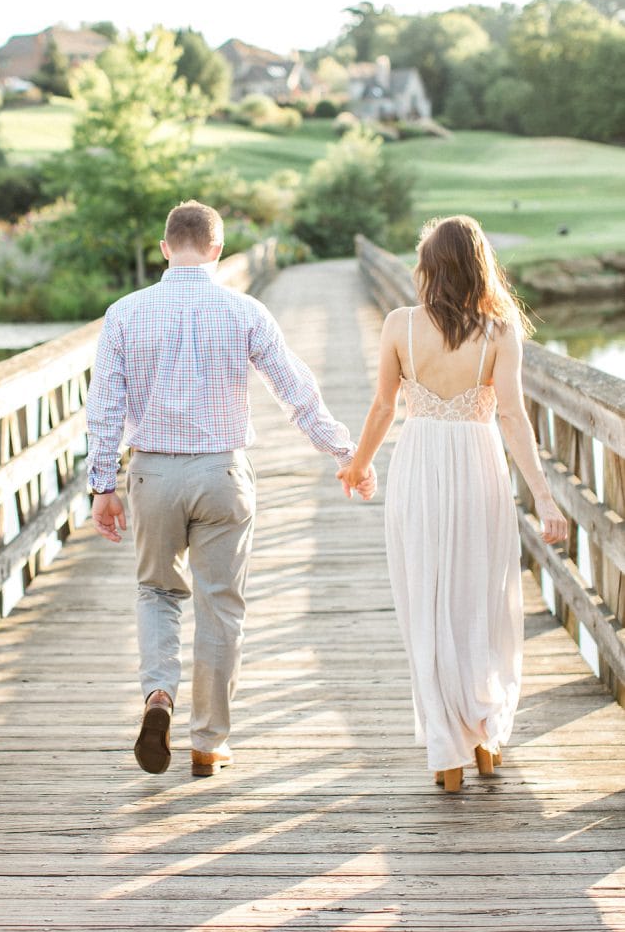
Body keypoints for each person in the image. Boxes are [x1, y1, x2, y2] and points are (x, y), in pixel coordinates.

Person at [86, 200, 375, 777]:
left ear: (166, 247)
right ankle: (207, 742)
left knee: (157, 592)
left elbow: (105, 407)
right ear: (216, 249)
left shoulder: (124, 313)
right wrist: (347, 453)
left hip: (153, 473)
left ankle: (158, 697)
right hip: (222, 475)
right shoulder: (244, 311)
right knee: (221, 606)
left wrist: (102, 484)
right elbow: (296, 392)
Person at [338, 215, 567, 793]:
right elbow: (513, 415)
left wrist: (360, 464)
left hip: (419, 465)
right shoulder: (500, 328)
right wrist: (545, 499)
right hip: (479, 467)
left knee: (428, 601)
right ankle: (484, 735)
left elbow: (384, 409)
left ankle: (447, 753)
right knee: (481, 599)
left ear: (430, 268)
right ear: (480, 264)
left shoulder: (400, 326)